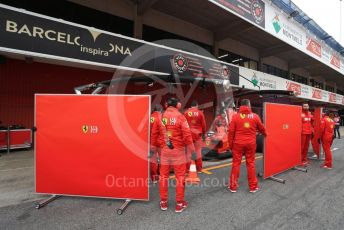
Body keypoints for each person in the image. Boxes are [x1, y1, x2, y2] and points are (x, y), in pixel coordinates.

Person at [151, 97, 196, 213]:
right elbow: (187, 135)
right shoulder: (181, 117)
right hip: (178, 152)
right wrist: (192, 150)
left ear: (166, 105)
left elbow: (154, 135)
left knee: (163, 177)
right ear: (178, 105)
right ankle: (179, 204)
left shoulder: (160, 117)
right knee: (180, 177)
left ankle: (163, 202)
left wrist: (152, 150)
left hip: (164, 151)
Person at [227, 99, 266, 193]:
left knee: (236, 164)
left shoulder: (235, 117)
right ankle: (253, 187)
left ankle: (233, 187)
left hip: (238, 144)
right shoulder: (255, 116)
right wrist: (266, 134)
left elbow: (231, 132)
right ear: (249, 105)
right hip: (251, 144)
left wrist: (230, 145)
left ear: (241, 106)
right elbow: (262, 128)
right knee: (251, 164)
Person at [184, 100, 206, 173]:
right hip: (197, 135)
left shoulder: (186, 113)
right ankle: (199, 169)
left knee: (188, 153)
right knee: (198, 152)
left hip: (188, 135)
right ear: (196, 106)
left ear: (191, 106)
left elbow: (183, 125)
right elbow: (204, 125)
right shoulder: (200, 113)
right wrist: (204, 134)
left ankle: (188, 170)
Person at [149, 104, 164, 183]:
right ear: (160, 110)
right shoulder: (160, 118)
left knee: (153, 160)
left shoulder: (149, 117)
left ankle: (154, 178)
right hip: (160, 141)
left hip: (151, 141)